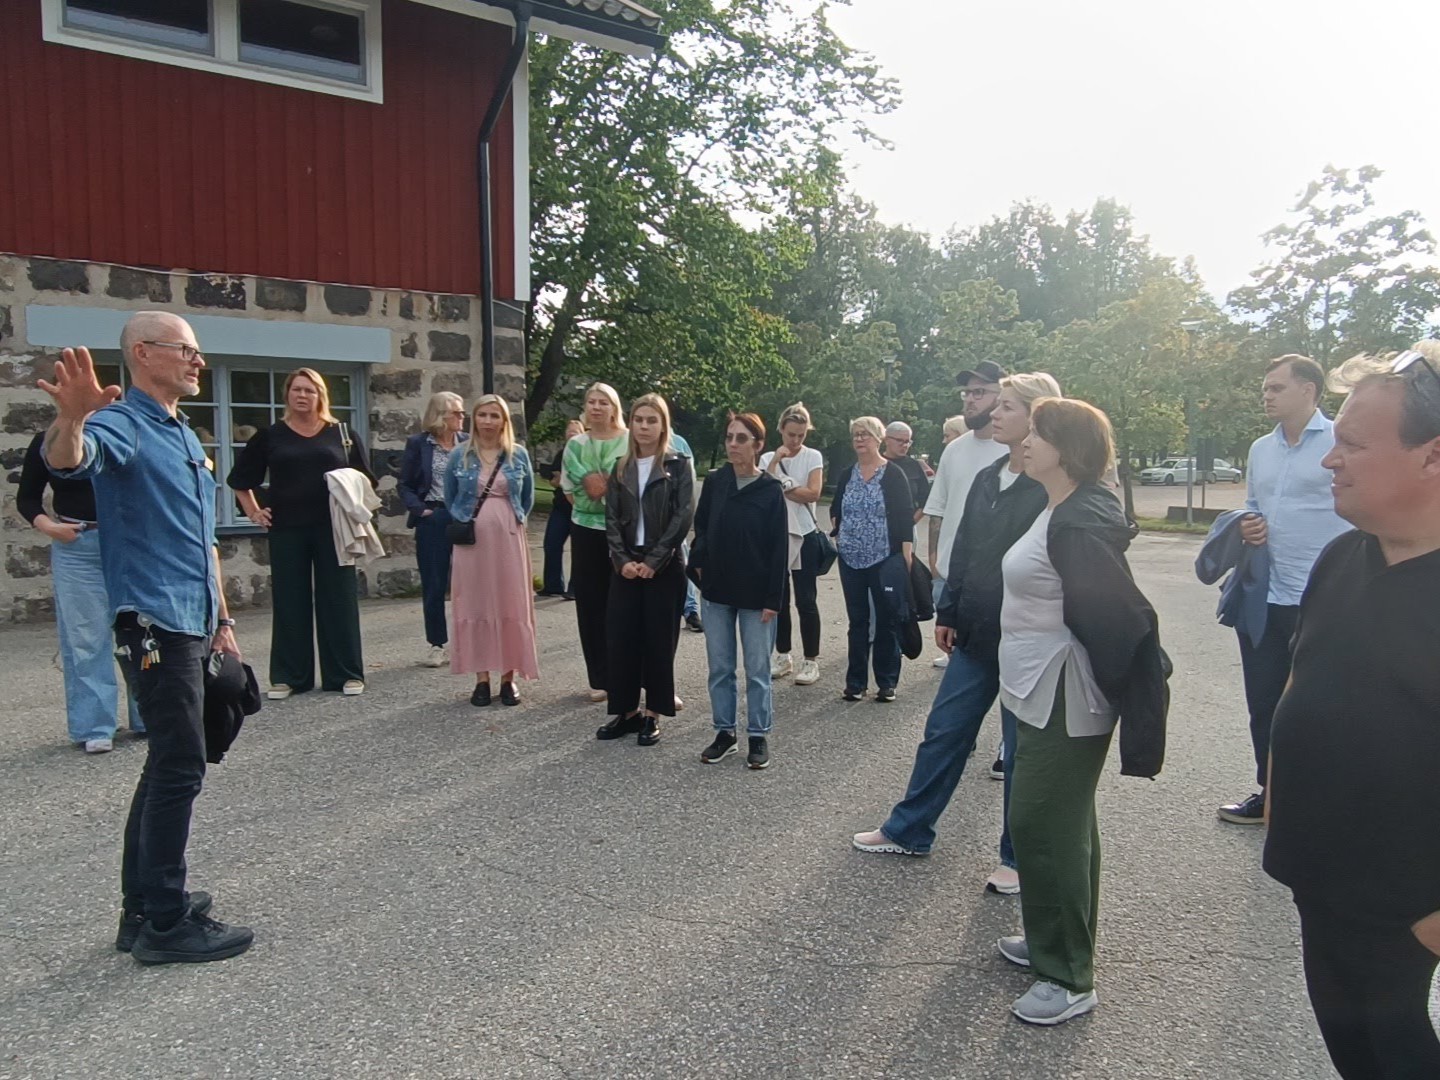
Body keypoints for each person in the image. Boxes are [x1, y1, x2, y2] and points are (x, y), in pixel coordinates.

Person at [39, 313, 252, 963]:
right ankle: (165, 922)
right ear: (142, 353)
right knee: (181, 763)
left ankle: (142, 909)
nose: (197, 360)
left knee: (168, 760)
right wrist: (72, 418)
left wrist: (222, 623)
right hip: (154, 623)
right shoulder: (120, 423)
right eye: (184, 349)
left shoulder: (181, 432)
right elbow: (71, 459)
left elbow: (201, 540)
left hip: (192, 618)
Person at [1263, 349, 1440, 1080]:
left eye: (1356, 445)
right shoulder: (1341, 558)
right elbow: (1301, 683)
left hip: (1407, 908)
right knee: (1357, 1054)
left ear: (1432, 458)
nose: (1331, 460)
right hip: (1322, 883)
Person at [853, 374, 1061, 899]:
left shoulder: (1055, 481)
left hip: (1028, 639)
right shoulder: (993, 473)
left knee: (1020, 754)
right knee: (945, 731)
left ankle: (1017, 857)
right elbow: (966, 545)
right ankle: (909, 830)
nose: (994, 413)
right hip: (975, 631)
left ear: (1037, 416)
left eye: (1007, 406)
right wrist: (948, 608)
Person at [994, 397, 1167, 1026]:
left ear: (1067, 448)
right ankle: (1053, 941)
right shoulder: (1061, 506)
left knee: (1043, 825)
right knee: (1065, 825)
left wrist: (1130, 689)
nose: (1026, 440)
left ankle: (1067, 976)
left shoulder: (1079, 520)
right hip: (1039, 686)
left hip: (1064, 690)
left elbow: (1117, 619)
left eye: (1038, 432)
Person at [1217, 355, 1348, 825]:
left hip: (1324, 595)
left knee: (1321, 704)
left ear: (1309, 390)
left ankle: (1321, 799)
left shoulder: (1340, 440)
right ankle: (1269, 794)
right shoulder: (1260, 449)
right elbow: (1253, 503)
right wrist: (1248, 524)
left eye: (1276, 388)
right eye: (1265, 388)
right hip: (1265, 593)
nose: (1266, 395)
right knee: (1264, 700)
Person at [228, 368, 376, 699]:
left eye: (309, 390)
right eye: (297, 389)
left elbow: (367, 478)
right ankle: (290, 676)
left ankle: (346, 674)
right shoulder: (272, 435)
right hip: (287, 529)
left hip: (334, 528)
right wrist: (254, 511)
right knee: (289, 600)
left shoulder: (341, 433)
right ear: (287, 395)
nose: (302, 395)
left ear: (320, 395)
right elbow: (240, 479)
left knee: (339, 600)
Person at [18, 430, 141, 753]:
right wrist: (50, 527)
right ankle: (95, 725)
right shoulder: (50, 441)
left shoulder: (123, 434)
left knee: (142, 630)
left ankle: (150, 716)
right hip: (78, 546)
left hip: (130, 544)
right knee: (86, 637)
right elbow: (27, 497)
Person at [595, 394, 694, 747]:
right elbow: (611, 520)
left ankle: (652, 713)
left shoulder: (678, 465)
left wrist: (654, 561)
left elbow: (683, 516)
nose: (644, 427)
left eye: (652, 420)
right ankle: (625, 712)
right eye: (639, 420)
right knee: (621, 639)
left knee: (657, 640)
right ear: (631, 424)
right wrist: (622, 561)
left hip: (663, 566)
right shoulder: (620, 467)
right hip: (626, 565)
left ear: (662, 425)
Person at [692, 412, 788, 770]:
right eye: (730, 437)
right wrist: (699, 566)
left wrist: (773, 599)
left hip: (756, 596)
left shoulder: (770, 490)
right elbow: (700, 526)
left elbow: (779, 550)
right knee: (720, 667)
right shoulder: (716, 482)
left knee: (758, 669)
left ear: (758, 446)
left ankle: (758, 734)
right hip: (717, 590)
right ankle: (725, 733)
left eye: (742, 438)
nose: (733, 444)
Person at [444, 395, 538, 707]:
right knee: (475, 603)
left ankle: (508, 678)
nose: (487, 421)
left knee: (510, 602)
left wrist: (507, 520)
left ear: (504, 421)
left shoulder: (518, 455)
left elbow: (527, 497)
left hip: (509, 539)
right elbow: (450, 496)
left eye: (494, 415)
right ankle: (481, 678)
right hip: (472, 542)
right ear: (474, 418)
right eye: (482, 415)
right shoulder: (460, 455)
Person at [924, 362, 1009, 671]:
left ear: (1003, 397)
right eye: (967, 392)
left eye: (980, 392)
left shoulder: (1014, 451)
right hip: (953, 581)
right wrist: (935, 565)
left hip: (1000, 584)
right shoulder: (954, 450)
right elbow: (938, 512)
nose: (969, 399)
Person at [829, 416, 914, 703]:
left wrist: (906, 554)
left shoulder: (892, 474)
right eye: (855, 434)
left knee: (887, 619)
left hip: (884, 557)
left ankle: (886, 682)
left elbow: (904, 515)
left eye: (865, 434)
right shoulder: (846, 474)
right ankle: (855, 683)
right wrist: (838, 531)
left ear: (878, 438)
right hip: (850, 557)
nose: (859, 439)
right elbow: (836, 506)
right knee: (858, 621)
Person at [562, 383, 628, 702]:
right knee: (591, 603)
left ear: (614, 407)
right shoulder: (576, 445)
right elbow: (574, 488)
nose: (597, 407)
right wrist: (596, 489)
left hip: (624, 531)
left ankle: (631, 673)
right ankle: (600, 677)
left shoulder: (630, 441)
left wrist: (604, 486)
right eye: (591, 402)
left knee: (626, 602)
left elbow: (624, 485)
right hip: (586, 528)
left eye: (603, 402)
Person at [398, 391, 468, 667]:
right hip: (433, 516)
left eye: (462, 412)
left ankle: (467, 641)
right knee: (435, 582)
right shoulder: (419, 444)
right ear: (441, 415)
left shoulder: (467, 443)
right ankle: (437, 643)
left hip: (462, 516)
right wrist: (421, 510)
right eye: (457, 413)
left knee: (467, 583)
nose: (462, 417)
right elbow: (404, 483)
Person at [760, 402, 825, 686]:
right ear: (781, 431)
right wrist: (776, 462)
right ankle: (782, 654)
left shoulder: (813, 456)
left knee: (806, 600)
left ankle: (811, 660)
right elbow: (764, 488)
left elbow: (814, 493)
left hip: (806, 533)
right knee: (779, 599)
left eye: (800, 435)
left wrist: (784, 485)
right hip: (776, 533)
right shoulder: (766, 458)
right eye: (791, 434)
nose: (796, 440)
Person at [536, 418, 584, 599]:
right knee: (551, 544)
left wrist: (565, 479)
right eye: (569, 432)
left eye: (575, 432)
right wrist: (561, 479)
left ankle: (575, 588)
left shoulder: (585, 453)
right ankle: (553, 584)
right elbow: (554, 480)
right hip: (560, 507)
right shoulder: (561, 454)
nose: (572, 435)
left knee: (579, 550)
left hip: (579, 507)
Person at [668, 429, 704, 635]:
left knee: (683, 563)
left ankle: (691, 611)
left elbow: (688, 485)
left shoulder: (679, 443)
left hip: (674, 518)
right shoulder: (633, 442)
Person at [883, 421, 931, 528]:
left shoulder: (914, 466)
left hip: (905, 527)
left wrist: (910, 523)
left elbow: (926, 500)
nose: (904, 445)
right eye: (899, 441)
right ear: (886, 440)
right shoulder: (877, 464)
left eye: (907, 442)